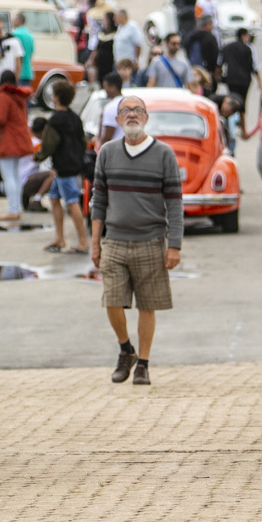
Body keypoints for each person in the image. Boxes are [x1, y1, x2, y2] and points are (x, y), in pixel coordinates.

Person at [91, 95, 184, 386]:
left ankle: (143, 363)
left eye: (137, 110)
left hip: (151, 239)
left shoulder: (164, 154)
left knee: (147, 304)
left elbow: (175, 203)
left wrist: (175, 245)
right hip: (115, 241)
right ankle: (125, 349)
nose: (132, 115)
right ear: (117, 120)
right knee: (112, 301)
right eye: (125, 111)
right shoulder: (106, 153)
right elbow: (99, 200)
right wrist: (95, 243)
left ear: (146, 118)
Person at [39, 80, 90, 255]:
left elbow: (48, 145)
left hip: (63, 168)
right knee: (54, 198)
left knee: (72, 202)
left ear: (57, 98)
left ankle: (83, 241)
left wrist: (37, 157)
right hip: (73, 165)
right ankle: (59, 238)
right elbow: (83, 142)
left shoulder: (55, 121)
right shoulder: (75, 118)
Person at [0, 68, 33, 222]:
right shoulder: (19, 94)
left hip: (6, 140)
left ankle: (12, 210)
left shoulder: (3, 95)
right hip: (19, 138)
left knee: (8, 176)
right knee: (15, 175)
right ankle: (17, 207)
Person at [220, 26, 259, 109]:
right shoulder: (248, 48)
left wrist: (219, 75)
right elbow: (253, 66)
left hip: (231, 78)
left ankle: (233, 117)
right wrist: (259, 79)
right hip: (244, 79)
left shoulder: (228, 47)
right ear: (243, 35)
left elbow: (220, 62)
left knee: (232, 99)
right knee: (243, 100)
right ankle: (241, 118)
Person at [184, 14, 221, 91]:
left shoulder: (190, 36)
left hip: (193, 70)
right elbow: (215, 56)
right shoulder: (210, 38)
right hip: (207, 71)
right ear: (207, 25)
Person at [113, 8, 147, 73]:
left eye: (116, 17)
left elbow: (138, 45)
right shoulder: (120, 27)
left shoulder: (132, 27)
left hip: (129, 63)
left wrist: (136, 60)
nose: (114, 19)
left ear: (124, 17)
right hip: (119, 62)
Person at [89, 10, 118, 83]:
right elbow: (96, 48)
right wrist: (91, 59)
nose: (103, 21)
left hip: (110, 61)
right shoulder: (102, 32)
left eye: (105, 19)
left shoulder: (116, 33)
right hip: (100, 62)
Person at [98, 72, 126, 143]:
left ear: (113, 88)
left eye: (105, 87)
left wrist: (101, 150)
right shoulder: (129, 104)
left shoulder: (111, 107)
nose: (105, 90)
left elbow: (107, 136)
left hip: (114, 149)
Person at [10, 11, 36, 86]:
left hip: (18, 72)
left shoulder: (14, 34)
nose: (13, 22)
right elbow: (31, 53)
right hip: (28, 71)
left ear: (18, 21)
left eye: (14, 20)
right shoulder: (30, 35)